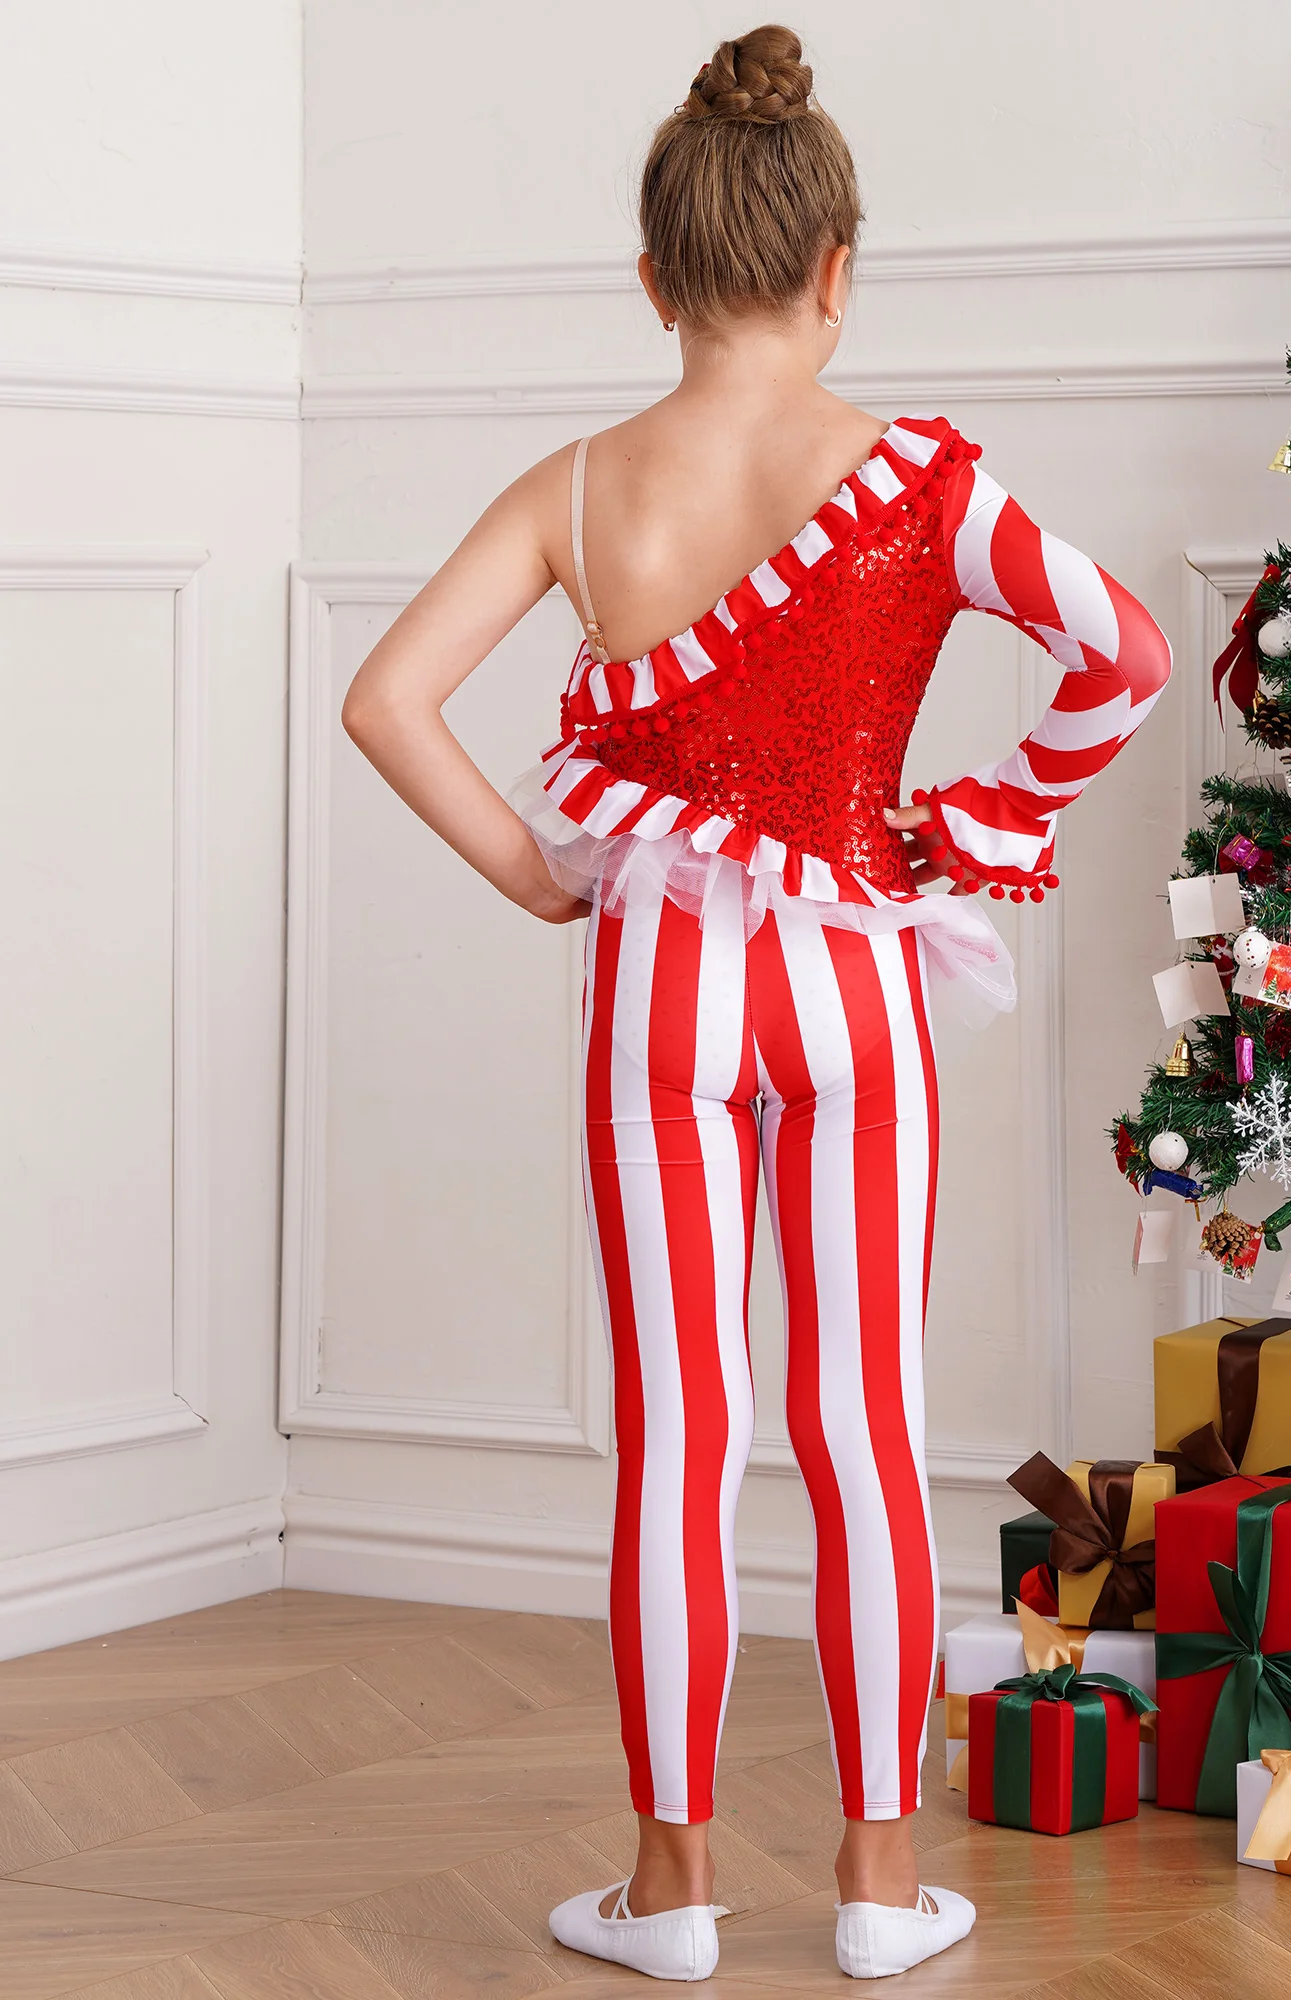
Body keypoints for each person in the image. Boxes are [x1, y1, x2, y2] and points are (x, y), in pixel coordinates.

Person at [342, 23, 1171, 1983]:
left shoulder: (580, 484)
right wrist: (973, 816)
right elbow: (1124, 656)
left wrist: (542, 868)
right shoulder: (914, 481)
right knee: (864, 1424)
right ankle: (882, 1890)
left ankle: (672, 1887)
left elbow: (386, 700)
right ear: (836, 270)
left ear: (651, 277)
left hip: (664, 982)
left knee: (680, 1435)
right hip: (861, 978)